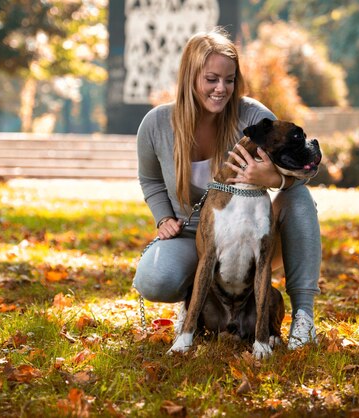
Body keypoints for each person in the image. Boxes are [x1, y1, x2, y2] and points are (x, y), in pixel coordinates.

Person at [133, 27, 321, 350]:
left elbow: (297, 164)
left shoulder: (253, 116)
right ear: (190, 76)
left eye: (229, 79)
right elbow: (149, 179)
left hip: (253, 233)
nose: (222, 88)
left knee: (300, 198)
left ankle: (303, 317)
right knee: (155, 278)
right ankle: (195, 308)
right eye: (211, 79)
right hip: (192, 236)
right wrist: (163, 217)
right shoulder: (156, 124)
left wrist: (273, 180)